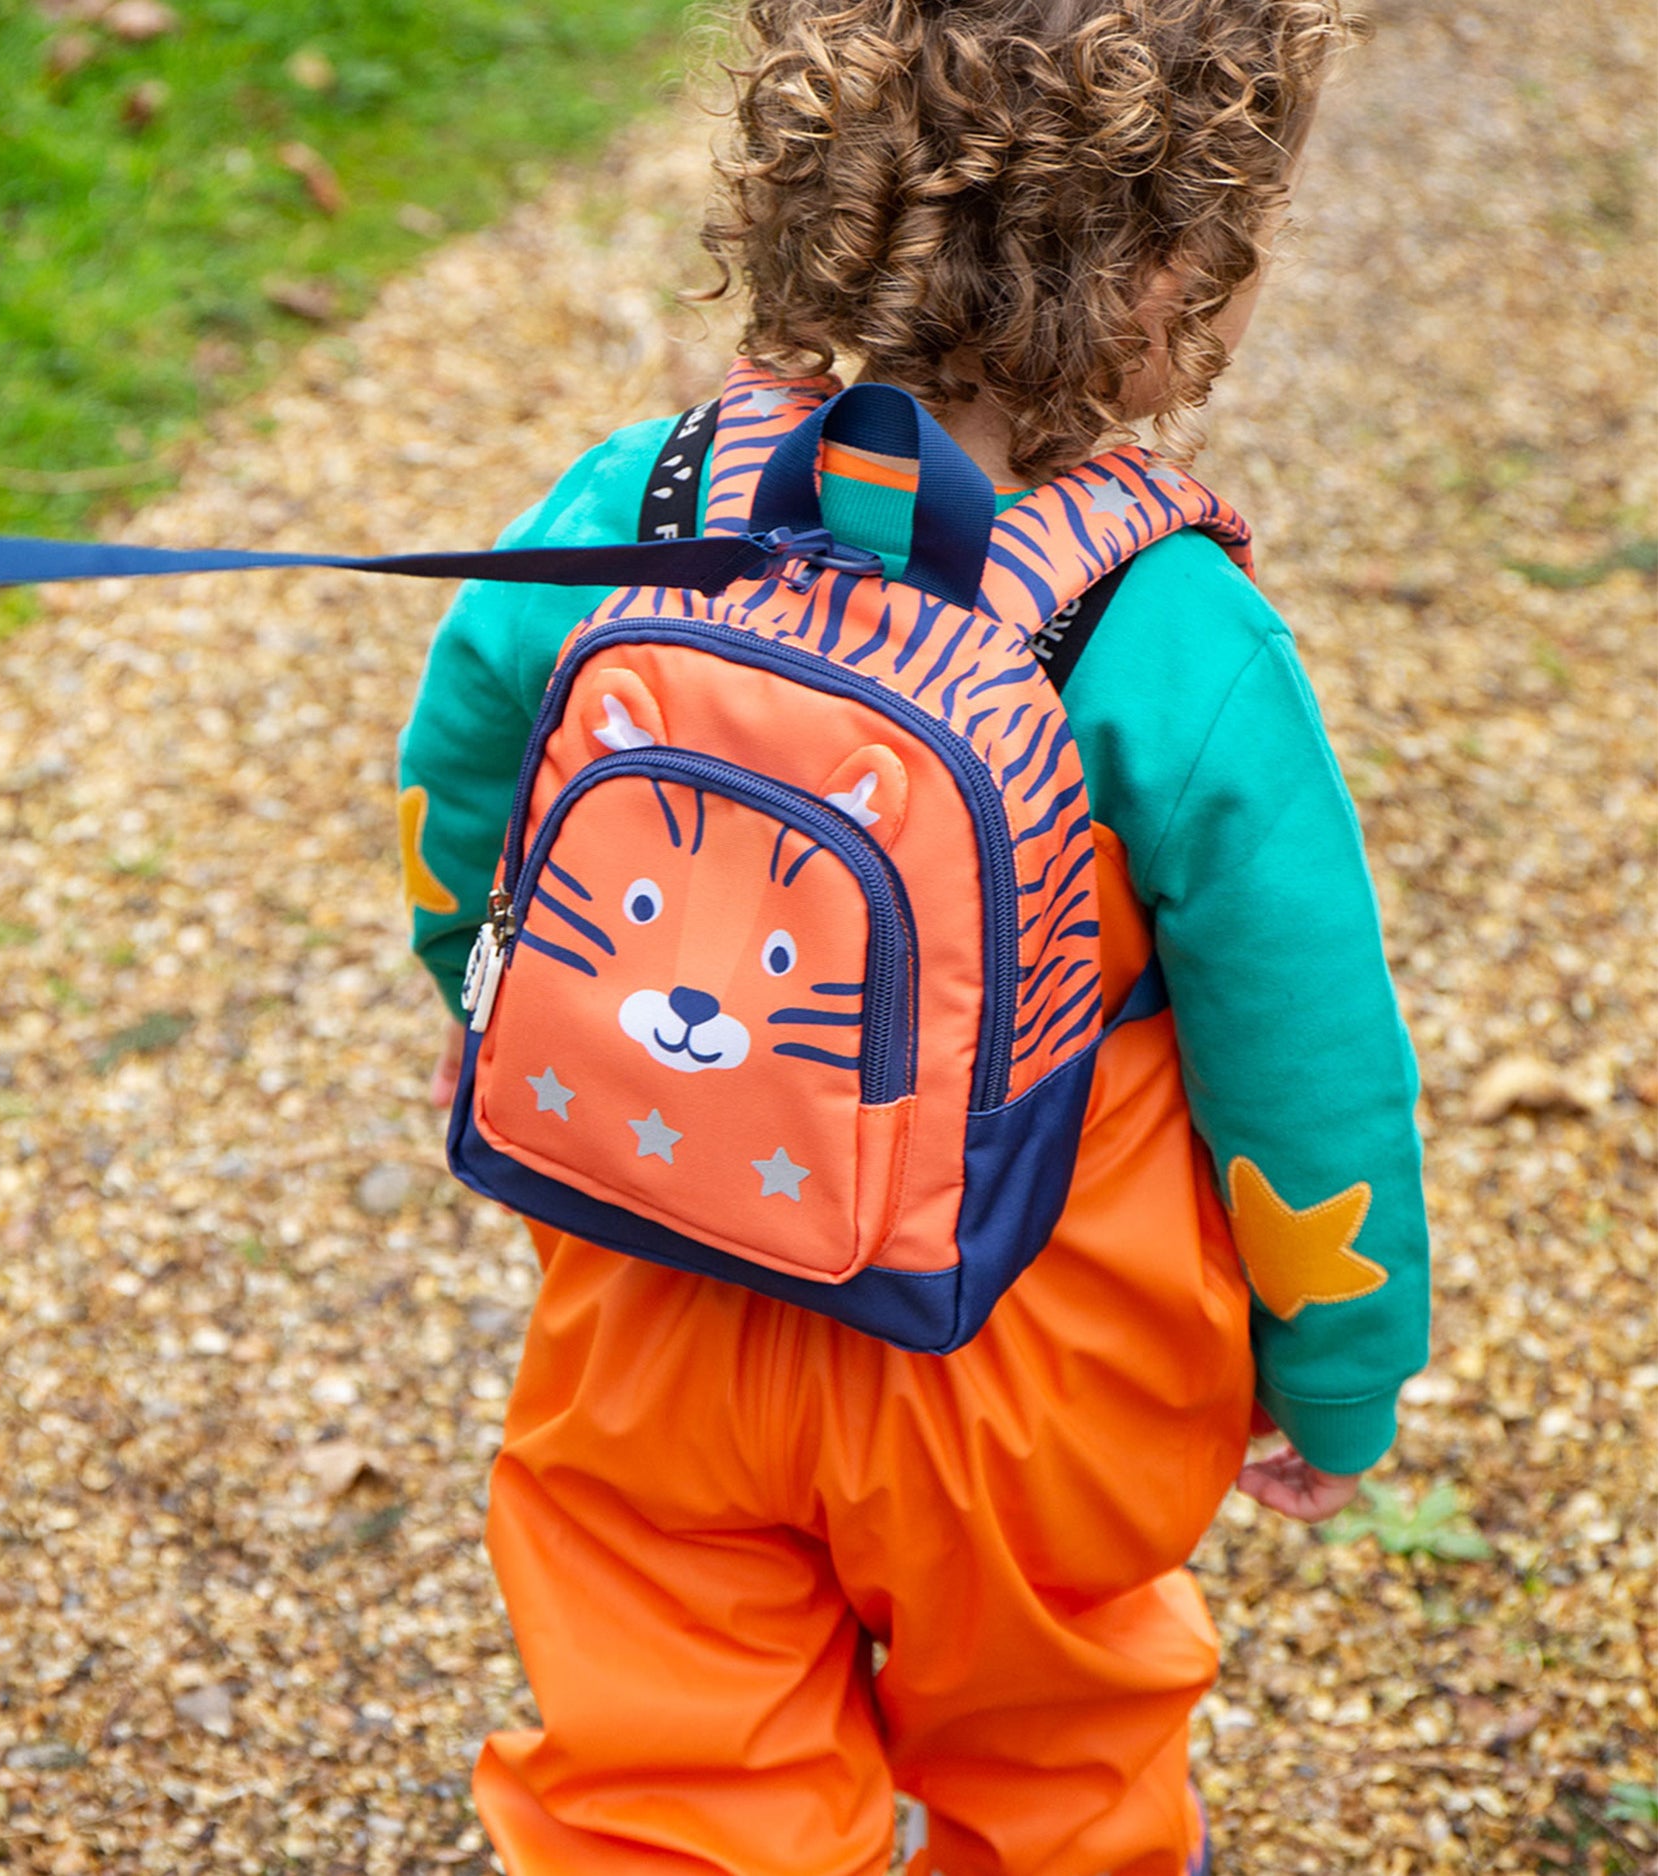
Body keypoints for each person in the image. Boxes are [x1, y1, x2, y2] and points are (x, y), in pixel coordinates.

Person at [397, 2, 1427, 1871]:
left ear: (805, 185)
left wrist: (506, 1005)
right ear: (1181, 272)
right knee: (1053, 1762)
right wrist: (1335, 1371)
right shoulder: (1166, 631)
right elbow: (1307, 1054)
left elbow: (464, 778)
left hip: (658, 1287)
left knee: (668, 1759)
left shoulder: (646, 501)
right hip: (1031, 1368)